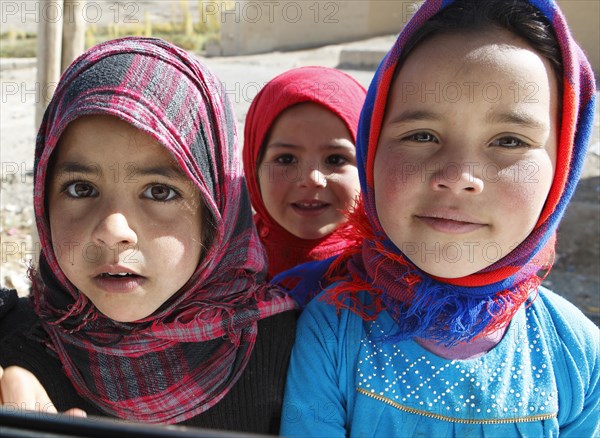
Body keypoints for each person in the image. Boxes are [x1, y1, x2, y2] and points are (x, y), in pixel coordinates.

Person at [280, 0, 599, 435]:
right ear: (371, 147)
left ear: (563, 168)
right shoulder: (333, 332)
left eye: (508, 140)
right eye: (422, 135)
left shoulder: (577, 353)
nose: (457, 177)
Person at [0, 36, 297, 433]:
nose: (113, 232)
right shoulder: (18, 343)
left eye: (160, 192)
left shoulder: (298, 356)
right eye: (80, 188)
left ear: (217, 212)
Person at [243, 66, 366, 282]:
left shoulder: (393, 274)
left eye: (335, 160)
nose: (312, 180)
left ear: (368, 166)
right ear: (254, 168)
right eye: (286, 159)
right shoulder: (219, 268)